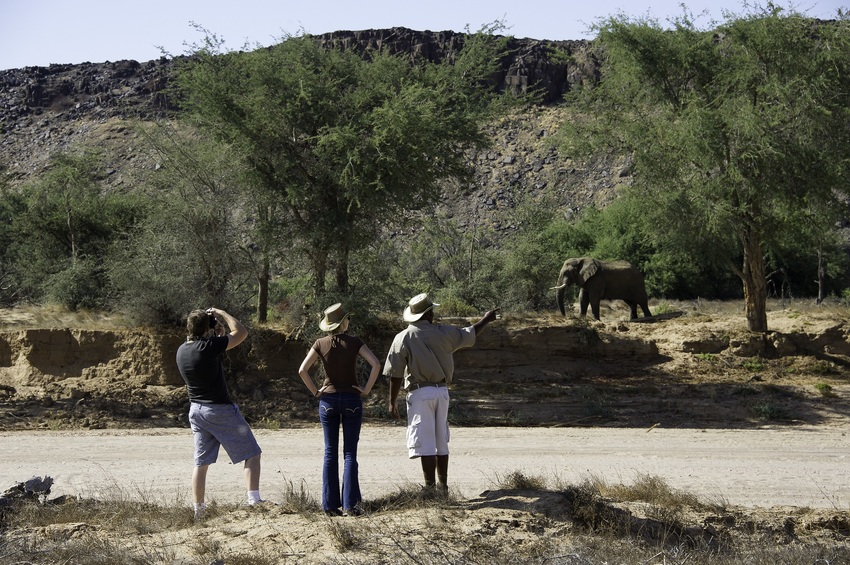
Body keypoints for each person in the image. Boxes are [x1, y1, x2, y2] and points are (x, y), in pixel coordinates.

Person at [384, 293, 499, 492]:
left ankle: (429, 489)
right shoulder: (445, 333)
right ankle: (443, 486)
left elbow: (395, 374)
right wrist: (486, 319)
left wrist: (392, 402)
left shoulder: (403, 337)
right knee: (441, 441)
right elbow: (470, 333)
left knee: (426, 442)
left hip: (420, 393)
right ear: (428, 314)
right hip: (442, 392)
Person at [175, 307, 263, 520]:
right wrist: (222, 313)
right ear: (208, 328)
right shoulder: (208, 346)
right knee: (252, 453)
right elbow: (241, 333)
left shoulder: (182, 350)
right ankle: (254, 500)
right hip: (218, 409)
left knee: (201, 463)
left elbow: (214, 351)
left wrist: (217, 333)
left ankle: (199, 511)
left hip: (196, 410)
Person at [298, 303, 381, 516]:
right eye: (347, 319)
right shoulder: (355, 342)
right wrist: (365, 389)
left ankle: (329, 505)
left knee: (329, 452)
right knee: (350, 453)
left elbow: (302, 370)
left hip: (328, 401)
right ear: (343, 322)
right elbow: (376, 364)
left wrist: (317, 392)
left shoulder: (320, 343)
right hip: (352, 399)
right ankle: (351, 505)